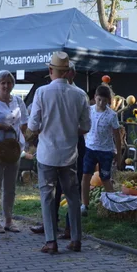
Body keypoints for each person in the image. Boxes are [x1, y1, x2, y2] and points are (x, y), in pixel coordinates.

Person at [27, 51, 91, 255]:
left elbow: (33, 125)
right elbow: (86, 127)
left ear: (50, 70)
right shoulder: (80, 94)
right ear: (69, 71)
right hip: (70, 153)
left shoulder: (42, 92)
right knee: (73, 197)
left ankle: (51, 241)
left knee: (47, 196)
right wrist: (70, 130)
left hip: (47, 153)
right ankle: (76, 239)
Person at [0, 70, 29, 233]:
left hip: (13, 149)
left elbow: (24, 122)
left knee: (10, 187)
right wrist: (0, 126)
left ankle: (8, 220)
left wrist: (22, 137)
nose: (6, 86)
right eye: (3, 83)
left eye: (9, 83)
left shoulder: (18, 101)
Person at [81, 84, 122, 208]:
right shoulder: (89, 110)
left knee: (105, 178)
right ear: (95, 97)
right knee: (86, 176)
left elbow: (117, 135)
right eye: (99, 99)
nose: (101, 103)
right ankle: (84, 204)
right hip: (90, 149)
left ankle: (114, 204)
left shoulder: (111, 115)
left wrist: (118, 153)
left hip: (106, 151)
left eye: (104, 101)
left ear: (109, 101)